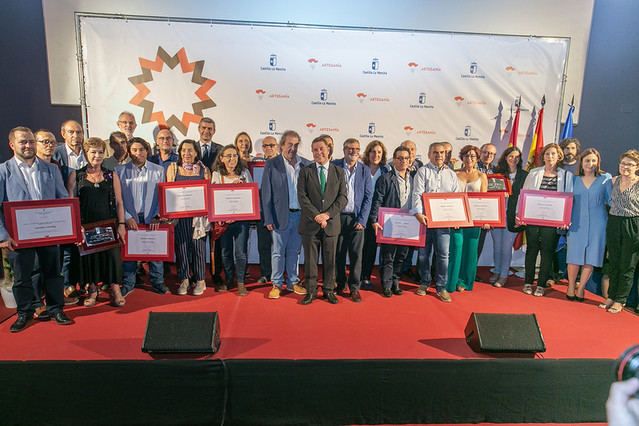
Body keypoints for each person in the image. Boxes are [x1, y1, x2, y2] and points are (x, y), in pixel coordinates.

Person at [0, 126, 73, 332]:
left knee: (53, 272)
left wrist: (68, 227)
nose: (28, 145)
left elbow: (62, 199)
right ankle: (24, 312)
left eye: (31, 141)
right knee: (22, 276)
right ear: (12, 144)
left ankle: (56, 308)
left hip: (49, 232)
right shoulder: (3, 171)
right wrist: (3, 236)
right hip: (18, 237)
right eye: (23, 142)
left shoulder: (51, 169)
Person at [67, 137, 127, 307]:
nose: (97, 155)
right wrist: (75, 228)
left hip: (109, 226)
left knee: (112, 259)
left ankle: (115, 290)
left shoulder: (111, 175)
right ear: (86, 153)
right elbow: (70, 206)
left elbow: (119, 202)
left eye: (101, 152)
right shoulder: (76, 175)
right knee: (90, 259)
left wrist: (121, 225)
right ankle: (93, 290)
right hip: (85, 226)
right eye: (93, 152)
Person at [518, 143, 574, 297]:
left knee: (547, 253)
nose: (550, 157)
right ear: (543, 156)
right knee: (531, 251)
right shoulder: (534, 173)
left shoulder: (566, 176)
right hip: (533, 220)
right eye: (547, 154)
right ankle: (528, 282)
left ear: (559, 156)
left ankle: (541, 284)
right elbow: (524, 195)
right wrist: (520, 215)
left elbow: (569, 199)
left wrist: (565, 219)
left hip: (552, 222)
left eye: (553, 154)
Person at [297, 136, 347, 304]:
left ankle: (329, 290)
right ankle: (310, 291)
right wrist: (316, 216)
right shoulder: (305, 171)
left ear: (329, 150)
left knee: (330, 260)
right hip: (310, 224)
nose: (318, 152)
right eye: (315, 149)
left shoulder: (339, 172)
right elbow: (302, 197)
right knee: (310, 261)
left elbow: (343, 198)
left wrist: (327, 215)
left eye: (321, 149)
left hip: (331, 224)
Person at [116, 137, 168, 297]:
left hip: (151, 216)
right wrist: (126, 217)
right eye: (134, 150)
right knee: (130, 251)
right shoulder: (120, 171)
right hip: (130, 217)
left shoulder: (158, 170)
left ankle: (157, 281)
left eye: (142, 149)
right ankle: (129, 283)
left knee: (155, 250)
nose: (139, 153)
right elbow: (117, 198)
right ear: (129, 152)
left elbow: (162, 195)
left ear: (147, 151)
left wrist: (157, 216)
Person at [262, 131, 311, 299]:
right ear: (282, 145)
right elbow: (266, 193)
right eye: (289, 144)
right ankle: (276, 284)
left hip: (300, 216)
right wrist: (268, 218)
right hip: (279, 216)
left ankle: (292, 282)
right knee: (277, 251)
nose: (293, 148)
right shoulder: (272, 164)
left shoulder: (306, 164)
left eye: (296, 145)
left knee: (294, 251)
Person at [412, 142, 460, 302]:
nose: (438, 155)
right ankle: (424, 283)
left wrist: (456, 217)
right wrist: (418, 213)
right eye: (435, 152)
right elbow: (417, 194)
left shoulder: (452, 174)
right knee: (424, 254)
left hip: (443, 222)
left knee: (443, 255)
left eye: (441, 153)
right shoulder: (422, 171)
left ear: (445, 155)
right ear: (428, 154)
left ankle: (441, 287)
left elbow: (456, 197)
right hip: (425, 220)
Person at [566, 148, 612, 302]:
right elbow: (566, 202)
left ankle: (581, 288)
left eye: (593, 161)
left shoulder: (605, 179)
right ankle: (571, 286)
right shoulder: (573, 179)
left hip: (598, 223)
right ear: (581, 162)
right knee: (574, 256)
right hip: (576, 222)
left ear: (598, 162)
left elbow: (611, 201)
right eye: (587, 160)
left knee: (591, 257)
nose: (590, 164)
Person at [166, 139, 211, 296]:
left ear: (196, 152)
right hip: (180, 216)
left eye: (190, 150)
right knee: (182, 248)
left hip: (198, 217)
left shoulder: (204, 170)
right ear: (179, 153)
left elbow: (209, 194)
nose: (187, 153)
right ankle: (184, 278)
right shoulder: (173, 169)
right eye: (183, 150)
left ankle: (200, 280)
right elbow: (168, 193)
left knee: (198, 248)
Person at [369, 146, 413, 297]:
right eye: (399, 158)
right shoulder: (385, 178)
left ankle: (395, 281)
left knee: (402, 255)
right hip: (390, 221)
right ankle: (386, 284)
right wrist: (374, 220)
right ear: (394, 160)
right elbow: (377, 200)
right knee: (388, 255)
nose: (403, 161)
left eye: (406, 158)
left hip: (409, 223)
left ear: (410, 160)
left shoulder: (414, 178)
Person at [332, 138, 372, 302]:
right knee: (338, 254)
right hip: (338, 217)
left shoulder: (364, 170)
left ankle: (355, 287)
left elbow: (368, 197)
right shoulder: (334, 166)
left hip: (357, 219)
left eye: (356, 148)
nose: (353, 151)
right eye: (350, 148)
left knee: (356, 255)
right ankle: (341, 284)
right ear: (343, 150)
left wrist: (362, 220)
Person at [210, 145, 253, 296]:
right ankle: (229, 280)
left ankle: (241, 282)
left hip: (241, 221)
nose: (232, 159)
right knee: (225, 252)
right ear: (221, 158)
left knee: (240, 252)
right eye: (228, 156)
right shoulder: (216, 175)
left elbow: (251, 197)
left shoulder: (245, 173)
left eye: (234, 155)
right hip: (223, 223)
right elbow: (213, 199)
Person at [446, 145, 488, 295]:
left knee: (470, 252)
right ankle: (451, 282)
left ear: (477, 158)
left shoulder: (482, 176)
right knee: (456, 249)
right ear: (462, 158)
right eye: (466, 156)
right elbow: (449, 196)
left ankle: (464, 281)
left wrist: (486, 219)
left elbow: (484, 199)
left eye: (472, 156)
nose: (469, 159)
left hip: (474, 221)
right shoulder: (453, 174)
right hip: (457, 219)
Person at [601, 149, 639, 313]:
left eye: (630, 164)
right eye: (623, 163)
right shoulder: (613, 180)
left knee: (627, 264)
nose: (626, 167)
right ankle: (611, 296)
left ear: (637, 166)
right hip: (614, 222)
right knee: (614, 262)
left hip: (633, 224)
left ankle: (620, 300)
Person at [53, 120, 86, 305]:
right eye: (71, 132)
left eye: (79, 132)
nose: (76, 136)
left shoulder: (89, 153)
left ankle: (83, 282)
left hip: (87, 207)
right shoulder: (55, 155)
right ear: (63, 133)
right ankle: (67, 285)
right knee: (67, 251)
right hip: (65, 209)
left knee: (85, 248)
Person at [489, 146, 528, 287]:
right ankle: (497, 270)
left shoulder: (524, 175)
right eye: (511, 156)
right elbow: (489, 193)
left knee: (506, 248)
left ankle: (504, 275)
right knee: (497, 246)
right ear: (505, 157)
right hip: (497, 215)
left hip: (513, 216)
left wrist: (521, 216)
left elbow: (526, 197)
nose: (514, 159)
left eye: (517, 157)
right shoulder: (497, 173)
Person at [360, 140, 388, 289]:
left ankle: (365, 277)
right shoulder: (360, 168)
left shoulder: (386, 171)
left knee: (370, 248)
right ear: (368, 153)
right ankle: (355, 276)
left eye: (379, 152)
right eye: (373, 151)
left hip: (376, 217)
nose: (375, 155)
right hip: (360, 215)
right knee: (357, 248)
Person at [255, 136, 279, 284]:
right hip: (261, 211)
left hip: (278, 211)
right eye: (265, 146)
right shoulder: (256, 164)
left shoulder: (283, 164)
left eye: (271, 145)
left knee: (279, 245)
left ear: (277, 146)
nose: (268, 148)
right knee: (263, 245)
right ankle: (265, 273)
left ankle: (278, 273)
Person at [476, 143, 498, 259]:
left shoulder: (496, 171)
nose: (489, 155)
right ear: (480, 152)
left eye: (492, 154)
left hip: (486, 212)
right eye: (486, 152)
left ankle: (472, 271)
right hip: (472, 210)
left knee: (479, 244)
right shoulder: (471, 166)